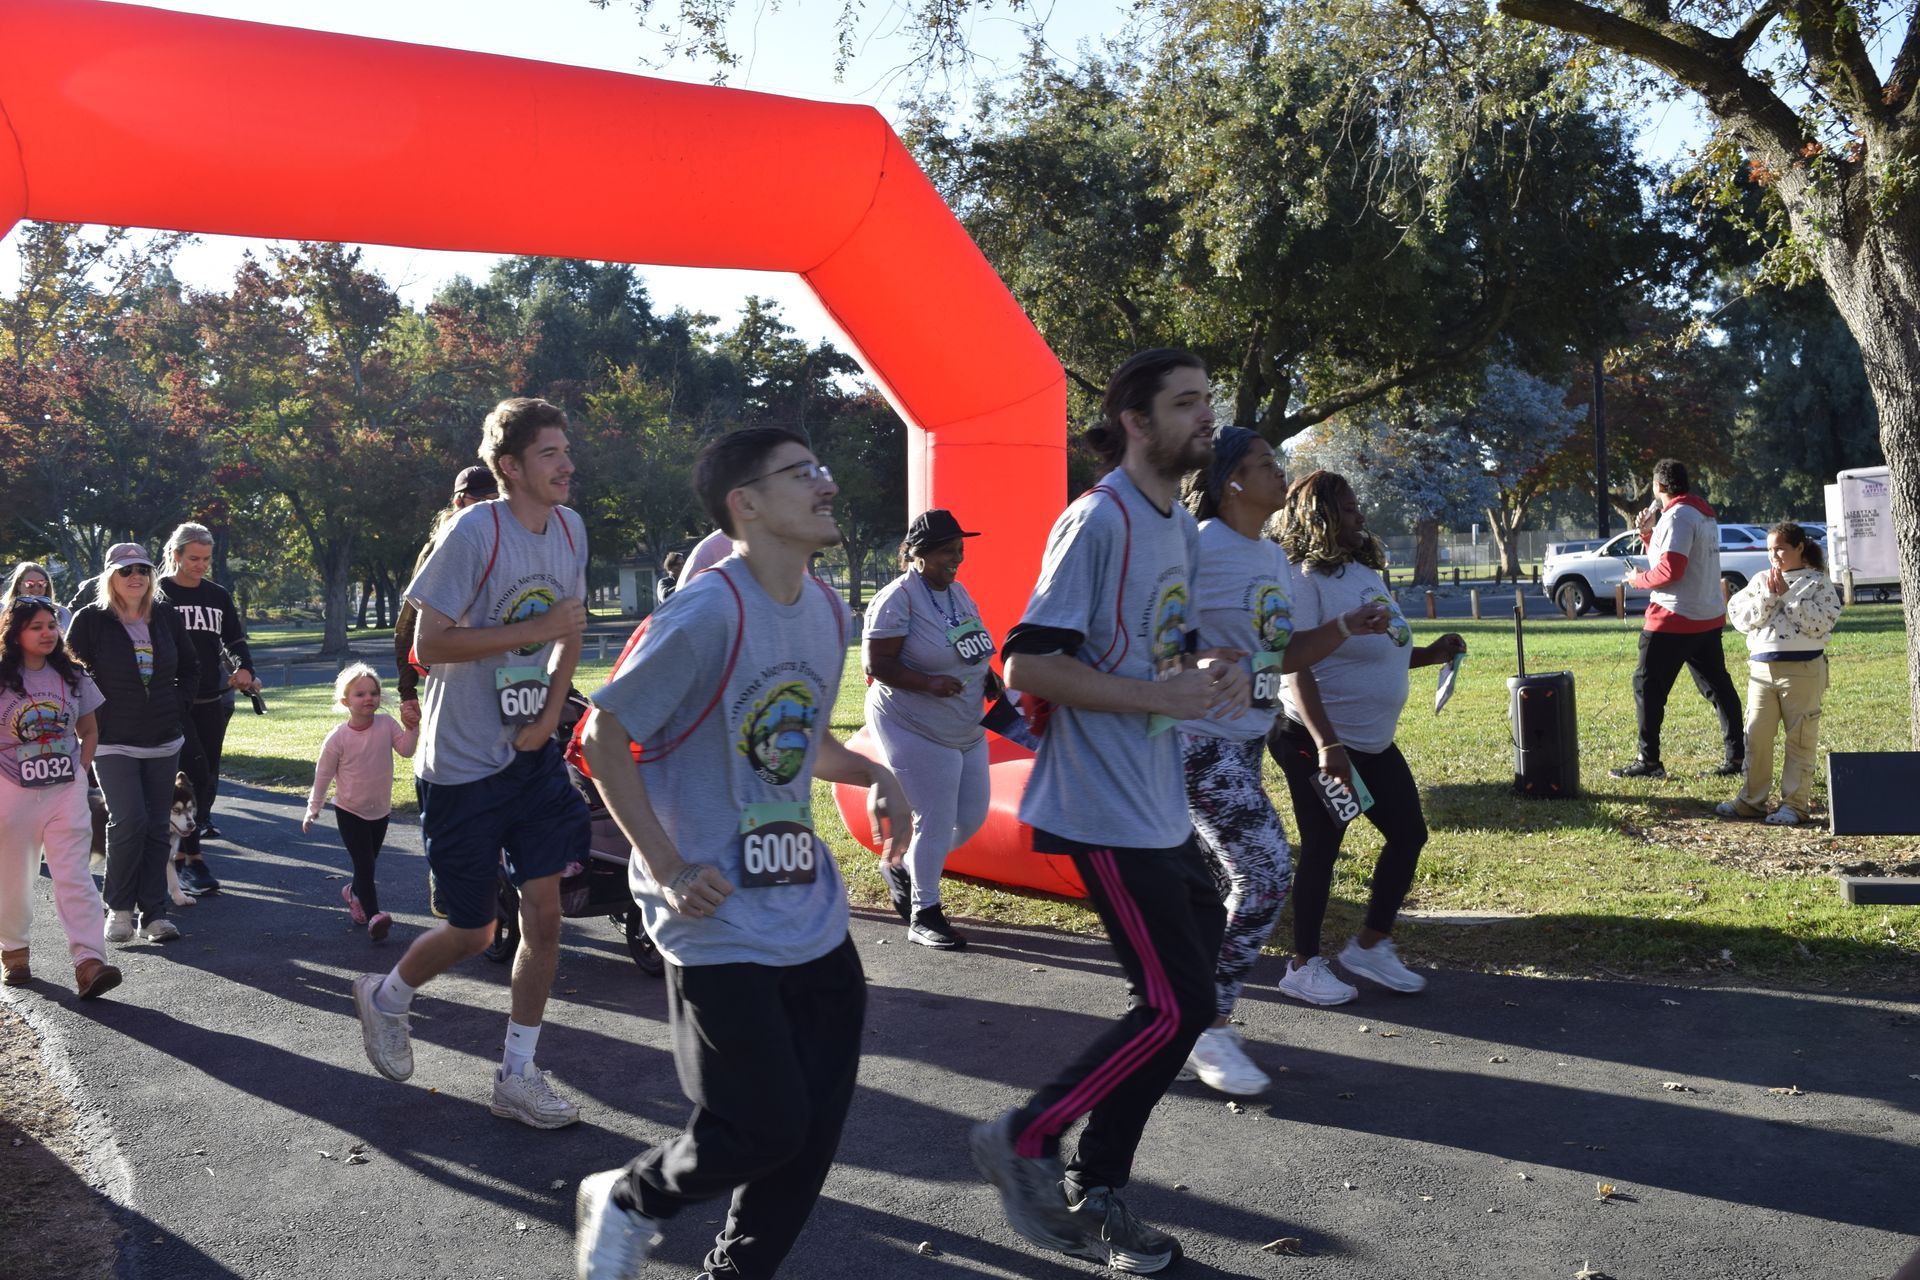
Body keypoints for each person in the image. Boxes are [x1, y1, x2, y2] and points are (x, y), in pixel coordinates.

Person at [573, 426, 910, 1280]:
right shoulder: (706, 612)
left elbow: (789, 740)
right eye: (804, 474)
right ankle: (629, 1197)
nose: (827, 484)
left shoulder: (828, 611)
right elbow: (603, 736)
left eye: (823, 465)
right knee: (757, 1126)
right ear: (746, 505)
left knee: (809, 1133)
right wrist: (668, 864)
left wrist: (874, 772)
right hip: (712, 911)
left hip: (807, 905)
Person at [971, 349, 1248, 1275]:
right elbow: (1028, 663)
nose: (1207, 416)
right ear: (1135, 420)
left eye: (1208, 400)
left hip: (1158, 807)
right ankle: (1026, 1137)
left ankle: (1100, 1189)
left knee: (1183, 1001)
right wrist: (1158, 700)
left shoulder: (1181, 525)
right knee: (1174, 1006)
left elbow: (1167, 641)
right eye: (1185, 403)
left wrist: (1219, 664)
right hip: (1098, 807)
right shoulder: (1098, 521)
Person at [348, 397, 591, 1130]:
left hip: (533, 757)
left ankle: (517, 1075)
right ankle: (387, 996)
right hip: (460, 766)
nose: (567, 465)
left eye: (566, 450)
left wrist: (551, 715)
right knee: (475, 931)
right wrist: (534, 627)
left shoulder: (571, 529)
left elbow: (571, 627)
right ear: (510, 467)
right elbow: (432, 645)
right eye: (550, 453)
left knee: (545, 918)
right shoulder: (474, 533)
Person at [1175, 431, 1390, 1094]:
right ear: (1230, 481)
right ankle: (1207, 1022)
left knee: (1217, 894)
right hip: (1193, 741)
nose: (1280, 472)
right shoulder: (1195, 545)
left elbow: (1283, 654)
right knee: (1267, 871)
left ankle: (1172, 1017)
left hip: (1245, 743)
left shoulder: (1269, 557)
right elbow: (1144, 634)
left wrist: (1348, 627)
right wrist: (1197, 663)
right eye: (1265, 464)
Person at [1267, 471, 1466, 1007]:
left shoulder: (1362, 571)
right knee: (1325, 844)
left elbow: (1386, 648)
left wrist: (1433, 653)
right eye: (1350, 509)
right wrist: (1327, 744)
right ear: (1320, 517)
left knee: (1408, 834)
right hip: (1317, 741)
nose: (1360, 517)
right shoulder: (1300, 578)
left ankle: (1370, 945)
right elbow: (1294, 668)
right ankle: (1303, 965)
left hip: (1370, 741)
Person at [862, 508, 997, 949]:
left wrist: (988, 674)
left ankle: (902, 862)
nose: (955, 560)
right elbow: (875, 664)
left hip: (965, 723)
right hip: (911, 721)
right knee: (936, 818)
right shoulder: (897, 598)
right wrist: (927, 683)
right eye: (945, 553)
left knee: (972, 818)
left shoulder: (959, 593)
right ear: (917, 554)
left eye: (959, 551)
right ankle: (925, 913)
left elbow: (971, 642)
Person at [66, 543, 198, 945]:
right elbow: (69, 671)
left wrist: (176, 707)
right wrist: (93, 717)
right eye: (126, 571)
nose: (135, 576)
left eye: (142, 568)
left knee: (158, 827)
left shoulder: (166, 616)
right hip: (113, 741)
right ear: (110, 577)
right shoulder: (91, 620)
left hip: (163, 738)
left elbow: (191, 668)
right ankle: (120, 910)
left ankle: (154, 915)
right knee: (128, 822)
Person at [0, 597, 122, 999]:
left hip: (65, 792)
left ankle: (89, 962)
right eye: (36, 626)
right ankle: (14, 952)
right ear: (15, 633)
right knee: (13, 879)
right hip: (11, 793)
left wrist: (80, 773)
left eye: (51, 625)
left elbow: (89, 730)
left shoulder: (73, 676)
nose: (47, 633)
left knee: (75, 875)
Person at [1611, 458, 1744, 780]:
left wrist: (1638, 580)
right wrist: (1647, 534)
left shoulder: (1678, 516)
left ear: (1659, 486)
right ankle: (1738, 758)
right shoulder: (1700, 513)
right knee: (1718, 687)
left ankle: (1649, 762)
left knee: (1647, 687)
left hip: (1673, 616)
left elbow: (1670, 571)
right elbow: (1675, 557)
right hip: (1706, 615)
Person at [1715, 522, 1841, 827]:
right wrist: (1768, 597)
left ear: (1799, 548)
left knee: (1800, 737)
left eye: (1781, 548)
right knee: (1756, 735)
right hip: (1762, 670)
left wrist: (1788, 596)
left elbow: (1820, 623)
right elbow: (1739, 617)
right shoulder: (1760, 581)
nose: (1775, 556)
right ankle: (1751, 801)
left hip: (1802, 671)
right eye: (1770, 549)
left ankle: (1794, 805)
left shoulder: (1817, 583)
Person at [157, 522, 259, 891]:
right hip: (170, 700)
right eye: (193, 558)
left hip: (210, 699)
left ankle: (183, 857)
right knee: (189, 773)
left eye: (206, 559)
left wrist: (245, 667)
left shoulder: (217, 595)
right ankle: (192, 860)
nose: (200, 566)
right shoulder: (158, 595)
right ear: (175, 555)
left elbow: (234, 638)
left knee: (206, 775)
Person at [305, 663, 421, 941]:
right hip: (349, 810)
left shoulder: (386, 724)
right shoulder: (338, 737)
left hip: (380, 810)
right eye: (360, 694)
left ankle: (353, 893)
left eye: (374, 692)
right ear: (345, 701)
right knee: (366, 865)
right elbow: (323, 774)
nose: (369, 698)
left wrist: (412, 728)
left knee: (366, 864)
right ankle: (375, 916)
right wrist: (313, 807)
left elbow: (406, 750)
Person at [395, 465, 499, 710]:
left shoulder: (507, 543)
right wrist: (407, 692)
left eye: (496, 501)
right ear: (458, 501)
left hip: (505, 673)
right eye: (481, 500)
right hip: (456, 680)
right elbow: (408, 623)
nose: (489, 508)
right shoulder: (438, 548)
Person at [4, 563, 70, 633]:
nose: (36, 589)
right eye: (29, 584)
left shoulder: (63, 613)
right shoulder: (4, 612)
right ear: (19, 586)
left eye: (41, 584)